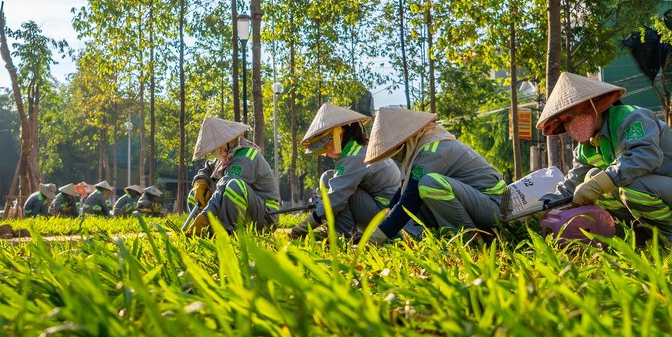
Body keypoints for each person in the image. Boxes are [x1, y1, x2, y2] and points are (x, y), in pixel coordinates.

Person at [536, 72, 672, 241]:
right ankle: (640, 237)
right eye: (565, 120)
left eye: (573, 115)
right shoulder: (585, 148)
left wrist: (598, 184)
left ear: (595, 105)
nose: (571, 123)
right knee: (591, 178)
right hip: (653, 191)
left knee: (627, 187)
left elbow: (645, 157)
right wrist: (541, 207)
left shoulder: (632, 118)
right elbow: (571, 185)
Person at [365, 107, 506, 244]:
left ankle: (469, 240)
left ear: (405, 140)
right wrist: (376, 227)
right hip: (480, 204)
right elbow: (402, 194)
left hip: (495, 207)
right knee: (421, 190)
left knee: (429, 184)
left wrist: (373, 239)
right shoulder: (424, 147)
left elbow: (409, 200)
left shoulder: (432, 150)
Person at [290, 103, 402, 238]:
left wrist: (301, 229)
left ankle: (344, 237)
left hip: (384, 218)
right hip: (384, 213)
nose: (325, 152)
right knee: (331, 179)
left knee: (334, 188)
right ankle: (343, 233)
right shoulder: (360, 149)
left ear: (338, 134)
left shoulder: (355, 157)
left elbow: (335, 200)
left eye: (325, 146)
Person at [186, 117, 281, 234]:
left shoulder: (246, 156)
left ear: (225, 142)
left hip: (265, 217)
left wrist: (204, 217)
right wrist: (200, 182)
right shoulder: (226, 156)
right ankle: (208, 232)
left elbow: (225, 185)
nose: (214, 153)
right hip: (246, 211)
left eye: (214, 148)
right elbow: (207, 169)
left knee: (234, 187)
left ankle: (229, 234)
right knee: (194, 195)